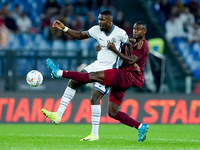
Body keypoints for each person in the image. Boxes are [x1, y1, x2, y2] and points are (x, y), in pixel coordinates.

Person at [43, 21, 150, 142]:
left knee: (92, 76)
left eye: (139, 30)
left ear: (144, 31)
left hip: (126, 76)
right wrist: (104, 48)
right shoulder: (130, 41)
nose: (135, 31)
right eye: (134, 29)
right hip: (123, 76)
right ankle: (141, 126)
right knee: (112, 112)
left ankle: (59, 72)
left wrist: (114, 50)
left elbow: (130, 60)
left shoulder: (143, 45)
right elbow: (121, 49)